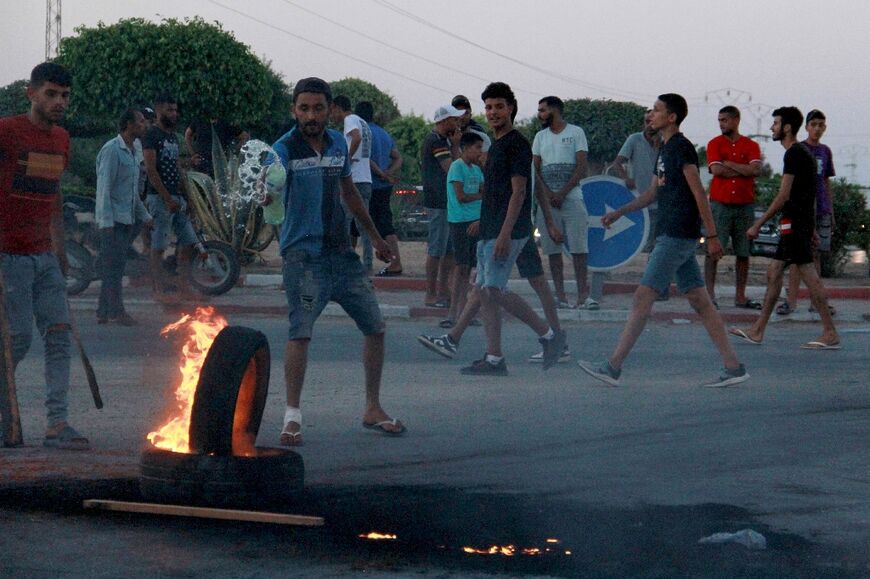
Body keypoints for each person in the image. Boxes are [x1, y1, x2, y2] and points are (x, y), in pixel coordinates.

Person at [578, 94, 748, 388]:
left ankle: (613, 367)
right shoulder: (665, 150)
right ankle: (734, 367)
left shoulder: (681, 148)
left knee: (643, 296)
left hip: (677, 233)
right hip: (672, 232)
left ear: (671, 117)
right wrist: (619, 212)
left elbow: (698, 192)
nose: (650, 115)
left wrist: (712, 235)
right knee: (700, 301)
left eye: (656, 110)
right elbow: (650, 194)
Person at [268, 77, 404, 446]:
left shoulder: (338, 145)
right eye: (303, 108)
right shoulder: (282, 150)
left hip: (342, 256)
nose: (311, 115)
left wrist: (375, 237)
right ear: (294, 109)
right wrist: (267, 198)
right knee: (301, 332)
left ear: (330, 109)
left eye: (317, 108)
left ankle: (372, 407)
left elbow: (350, 193)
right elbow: (270, 197)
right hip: (304, 258)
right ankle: (292, 416)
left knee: (375, 327)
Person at [0, 62, 89, 449]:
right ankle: (7, 415)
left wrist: (59, 247)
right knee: (16, 339)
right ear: (31, 93)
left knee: (58, 336)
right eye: (51, 94)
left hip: (44, 257)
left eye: (65, 96)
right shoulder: (6, 132)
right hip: (8, 256)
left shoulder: (62, 140)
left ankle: (57, 423)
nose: (59, 102)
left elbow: (52, 194)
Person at [460, 82, 567, 375]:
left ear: (511, 108)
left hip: (509, 231)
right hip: (492, 229)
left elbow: (520, 192)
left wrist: (505, 234)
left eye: (499, 106)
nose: (493, 112)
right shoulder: (496, 146)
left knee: (493, 289)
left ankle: (549, 336)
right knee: (485, 292)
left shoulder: (517, 144)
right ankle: (494, 358)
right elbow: (497, 194)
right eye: (489, 107)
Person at [729, 107, 839, 349]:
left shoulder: (794, 154)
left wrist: (758, 223)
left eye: (776, 124)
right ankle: (758, 330)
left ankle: (830, 332)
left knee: (809, 277)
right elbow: (808, 194)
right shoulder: (803, 154)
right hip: (798, 224)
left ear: (787, 127)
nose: (772, 128)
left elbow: (784, 195)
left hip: (795, 225)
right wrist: (810, 227)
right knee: (775, 272)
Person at [533, 96, 595, 310]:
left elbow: (581, 167)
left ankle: (583, 295)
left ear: (554, 110)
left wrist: (563, 192)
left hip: (573, 197)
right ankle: (560, 296)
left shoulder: (576, 132)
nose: (539, 114)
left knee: (579, 247)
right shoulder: (540, 137)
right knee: (552, 249)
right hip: (547, 201)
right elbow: (536, 169)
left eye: (542, 110)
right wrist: (549, 193)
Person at [95, 108, 153, 325]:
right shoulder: (112, 150)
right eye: (140, 121)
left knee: (114, 267)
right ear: (128, 125)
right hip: (113, 222)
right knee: (114, 268)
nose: (144, 125)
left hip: (127, 219)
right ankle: (117, 311)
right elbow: (104, 189)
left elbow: (132, 193)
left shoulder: (133, 151)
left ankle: (103, 310)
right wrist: (106, 223)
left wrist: (145, 216)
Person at [777, 109, 837, 316]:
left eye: (821, 125)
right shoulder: (799, 149)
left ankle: (817, 301)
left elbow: (826, 181)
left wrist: (830, 209)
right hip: (802, 210)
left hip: (820, 209)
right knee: (798, 258)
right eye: (814, 124)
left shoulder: (825, 151)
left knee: (815, 256)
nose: (817, 129)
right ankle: (791, 301)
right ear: (807, 127)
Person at [704, 106, 763, 309]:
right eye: (719, 120)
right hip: (720, 205)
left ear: (736, 120)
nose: (721, 124)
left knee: (743, 251)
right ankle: (709, 294)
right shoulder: (714, 144)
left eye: (725, 120)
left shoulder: (751, 145)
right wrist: (742, 169)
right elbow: (716, 169)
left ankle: (740, 296)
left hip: (744, 206)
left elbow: (755, 169)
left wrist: (730, 164)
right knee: (713, 251)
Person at [142, 94, 198, 303]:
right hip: (159, 199)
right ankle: (158, 289)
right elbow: (150, 169)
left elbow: (176, 167)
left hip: (177, 198)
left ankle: (183, 286)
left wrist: (187, 198)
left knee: (189, 241)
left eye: (175, 110)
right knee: (159, 246)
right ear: (158, 111)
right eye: (169, 110)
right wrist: (167, 199)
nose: (174, 114)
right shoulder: (151, 136)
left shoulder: (172, 137)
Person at [355, 101, 404, 276]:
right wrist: (387, 173)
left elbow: (365, 158)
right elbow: (398, 158)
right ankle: (395, 262)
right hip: (384, 185)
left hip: (367, 183)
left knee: (354, 224)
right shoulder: (384, 134)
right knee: (385, 224)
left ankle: (351, 262)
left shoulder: (362, 133)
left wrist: (380, 173)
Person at [421, 104, 463, 307]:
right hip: (438, 202)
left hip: (445, 202)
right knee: (437, 250)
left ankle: (443, 291)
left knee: (448, 251)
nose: (457, 123)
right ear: (444, 121)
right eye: (454, 119)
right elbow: (452, 169)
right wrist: (456, 146)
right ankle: (431, 294)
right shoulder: (437, 142)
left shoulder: (441, 140)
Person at [443, 132, 485, 327]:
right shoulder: (456, 167)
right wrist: (479, 197)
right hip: (460, 221)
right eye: (477, 147)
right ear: (466, 148)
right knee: (461, 267)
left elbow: (485, 191)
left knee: (470, 268)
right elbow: (461, 196)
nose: (480, 151)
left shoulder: (477, 170)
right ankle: (453, 313)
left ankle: (464, 312)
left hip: (476, 220)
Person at [330, 96, 375, 271]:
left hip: (353, 180)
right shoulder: (363, 122)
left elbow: (355, 138)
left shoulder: (350, 120)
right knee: (365, 224)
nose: (332, 115)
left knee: (344, 222)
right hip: (366, 179)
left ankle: (344, 263)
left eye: (332, 110)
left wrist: (346, 159)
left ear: (337, 107)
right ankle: (368, 264)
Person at [612, 109, 661, 252]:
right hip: (638, 196)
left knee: (656, 241)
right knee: (643, 240)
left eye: (652, 122)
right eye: (647, 121)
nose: (650, 125)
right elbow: (617, 163)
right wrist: (626, 178)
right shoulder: (635, 139)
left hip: (659, 197)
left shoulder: (664, 142)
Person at [183, 118, 249, 177]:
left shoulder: (226, 122)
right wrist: (193, 154)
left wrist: (234, 153)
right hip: (201, 163)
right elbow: (187, 135)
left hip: (220, 165)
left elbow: (245, 136)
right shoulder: (199, 120)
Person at [452, 94, 492, 162]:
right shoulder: (443, 139)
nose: (462, 117)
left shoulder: (482, 137)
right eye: (458, 113)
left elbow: (486, 165)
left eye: (466, 113)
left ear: (470, 115)